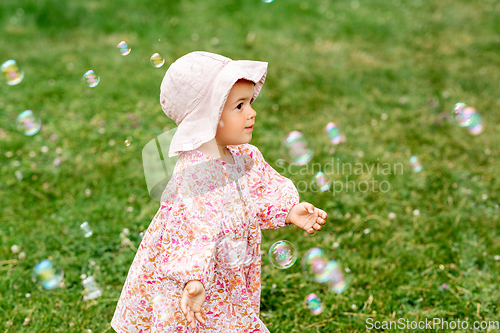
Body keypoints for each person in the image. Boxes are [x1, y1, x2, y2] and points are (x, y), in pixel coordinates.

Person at [111, 51, 328, 332]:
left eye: (250, 102)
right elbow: (187, 232)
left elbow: (259, 193)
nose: (252, 112)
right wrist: (192, 280)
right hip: (201, 283)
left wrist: (287, 210)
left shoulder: (243, 156)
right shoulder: (194, 176)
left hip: (231, 277)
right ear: (206, 117)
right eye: (239, 106)